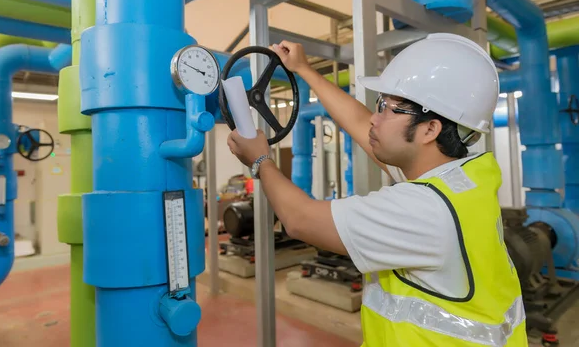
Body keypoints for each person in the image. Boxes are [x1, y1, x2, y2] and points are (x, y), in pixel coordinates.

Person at [226, 33, 528, 347]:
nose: (374, 118)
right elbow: (359, 121)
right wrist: (305, 70)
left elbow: (299, 219)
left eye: (387, 107)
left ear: (430, 129)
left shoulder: (424, 211)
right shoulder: (461, 179)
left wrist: (260, 159)